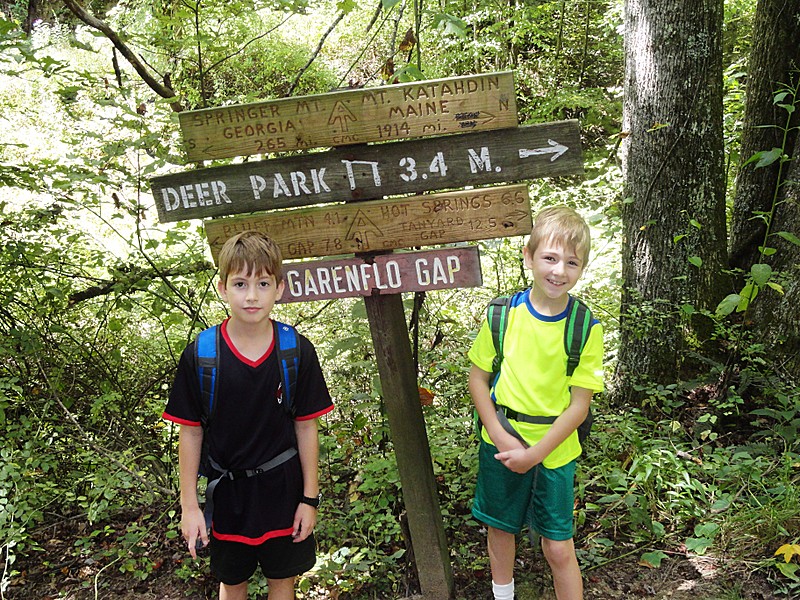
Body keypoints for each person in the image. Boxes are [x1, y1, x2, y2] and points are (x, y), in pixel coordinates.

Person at [163, 231, 334, 600]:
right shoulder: (203, 355)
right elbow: (190, 433)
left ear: (279, 288)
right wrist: (190, 506)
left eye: (262, 283)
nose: (252, 295)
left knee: (283, 581)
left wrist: (310, 499)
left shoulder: (296, 351)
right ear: (223, 288)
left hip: (283, 493)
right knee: (232, 582)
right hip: (228, 497)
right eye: (240, 283)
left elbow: (306, 427)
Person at [468, 206, 604, 600]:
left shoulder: (584, 326)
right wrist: (498, 433)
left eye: (571, 262)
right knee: (500, 527)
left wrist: (537, 453)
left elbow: (579, 406)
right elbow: (479, 378)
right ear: (529, 257)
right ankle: (503, 595)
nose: (559, 270)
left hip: (556, 451)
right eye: (549, 257)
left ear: (582, 268)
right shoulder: (503, 315)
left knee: (558, 545)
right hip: (503, 442)